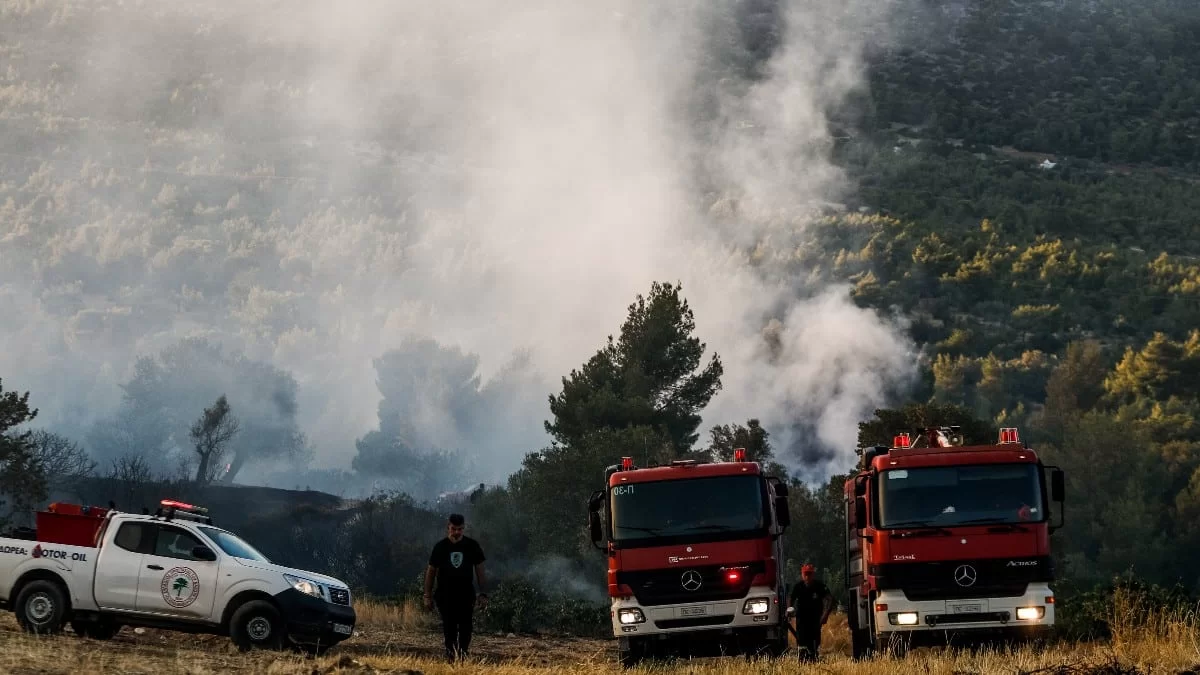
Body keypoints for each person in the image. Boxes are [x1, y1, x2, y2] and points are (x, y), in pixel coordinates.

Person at [424, 513, 488, 662]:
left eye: (460, 529)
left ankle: (463, 656)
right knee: (449, 628)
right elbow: (431, 572)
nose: (457, 532)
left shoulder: (472, 546)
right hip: (445, 596)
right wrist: (427, 595)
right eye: (454, 529)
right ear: (448, 528)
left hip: (466, 595)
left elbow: (480, 571)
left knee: (466, 628)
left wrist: (483, 593)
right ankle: (451, 658)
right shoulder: (440, 547)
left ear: (463, 528)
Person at [790, 563, 834, 662]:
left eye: (809, 574)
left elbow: (830, 599)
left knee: (814, 643)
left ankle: (814, 658)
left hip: (815, 619)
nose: (807, 576)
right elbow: (791, 599)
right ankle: (802, 660)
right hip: (801, 619)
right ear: (802, 574)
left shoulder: (819, 586)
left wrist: (825, 614)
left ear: (813, 574)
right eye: (805, 574)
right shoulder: (798, 587)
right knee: (801, 643)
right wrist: (789, 610)